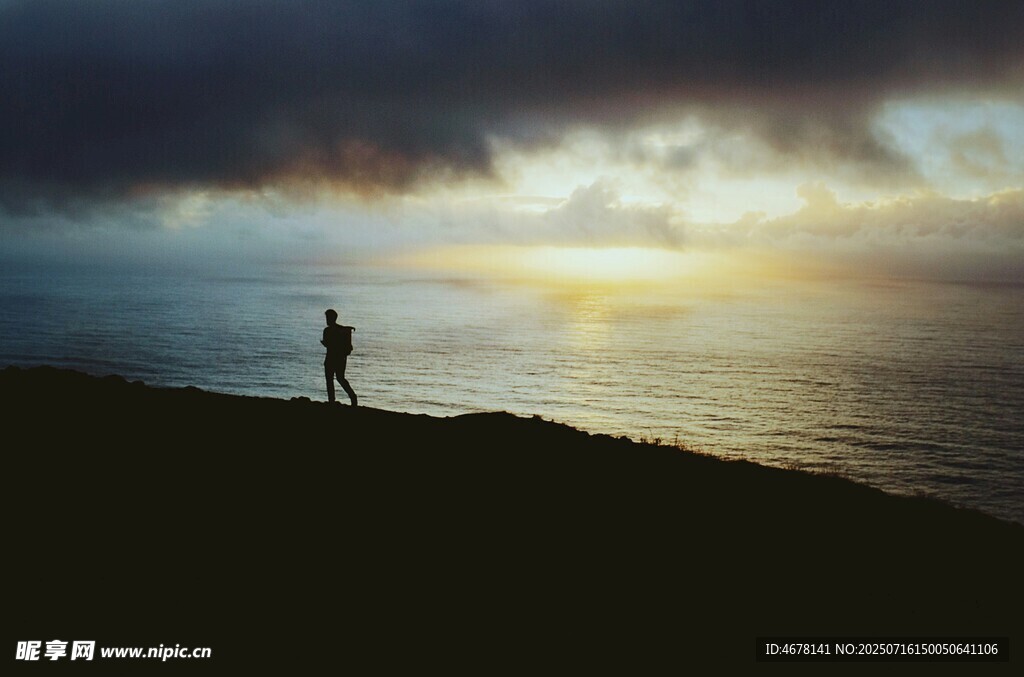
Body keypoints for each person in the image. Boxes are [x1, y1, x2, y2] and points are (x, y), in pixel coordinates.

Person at [321, 309, 357, 406]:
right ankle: (350, 397)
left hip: (333, 358)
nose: (327, 320)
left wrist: (327, 344)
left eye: (328, 318)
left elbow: (327, 343)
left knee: (333, 379)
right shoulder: (343, 330)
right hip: (338, 359)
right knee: (338, 378)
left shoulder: (328, 331)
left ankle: (334, 401)